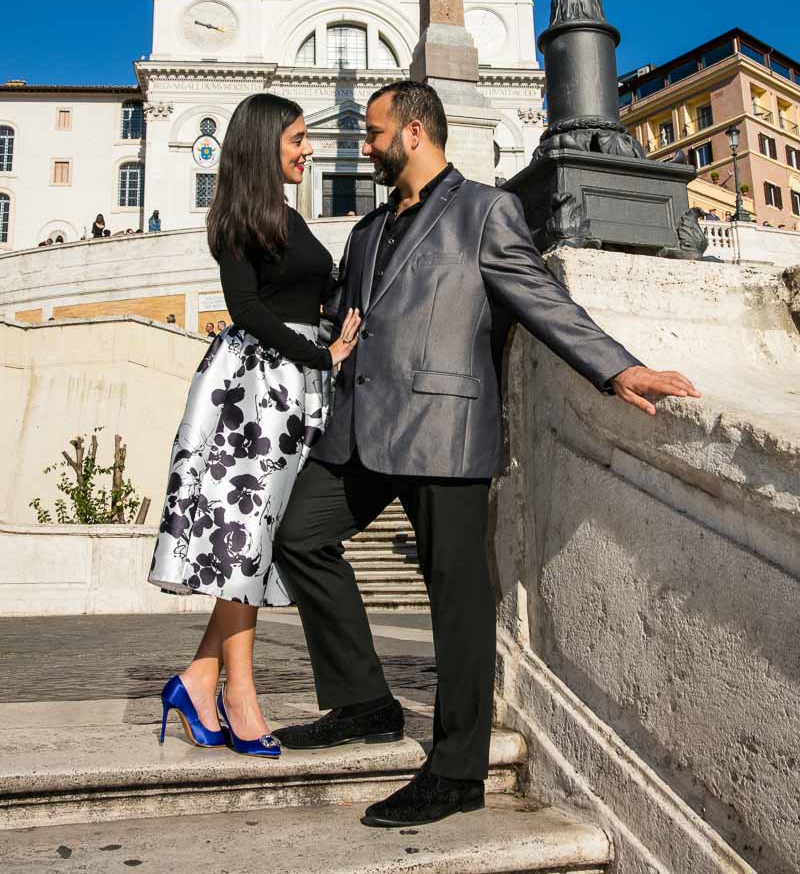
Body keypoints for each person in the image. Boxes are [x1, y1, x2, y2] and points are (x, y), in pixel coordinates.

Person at [272, 80, 701, 828]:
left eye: (373, 134)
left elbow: (541, 299)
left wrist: (616, 367)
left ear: (413, 131)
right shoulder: (368, 230)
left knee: (459, 601)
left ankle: (457, 769)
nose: (364, 146)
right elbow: (347, 314)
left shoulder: (485, 211)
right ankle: (364, 701)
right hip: (361, 428)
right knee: (298, 535)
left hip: (444, 430)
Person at [148, 92, 360, 759]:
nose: (309, 149)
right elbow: (246, 310)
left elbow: (312, 297)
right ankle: (238, 692)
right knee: (246, 540)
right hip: (255, 391)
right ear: (265, 142)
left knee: (258, 543)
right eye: (298, 138)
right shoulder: (239, 216)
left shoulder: (292, 219)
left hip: (295, 391)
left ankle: (198, 676)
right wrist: (319, 353)